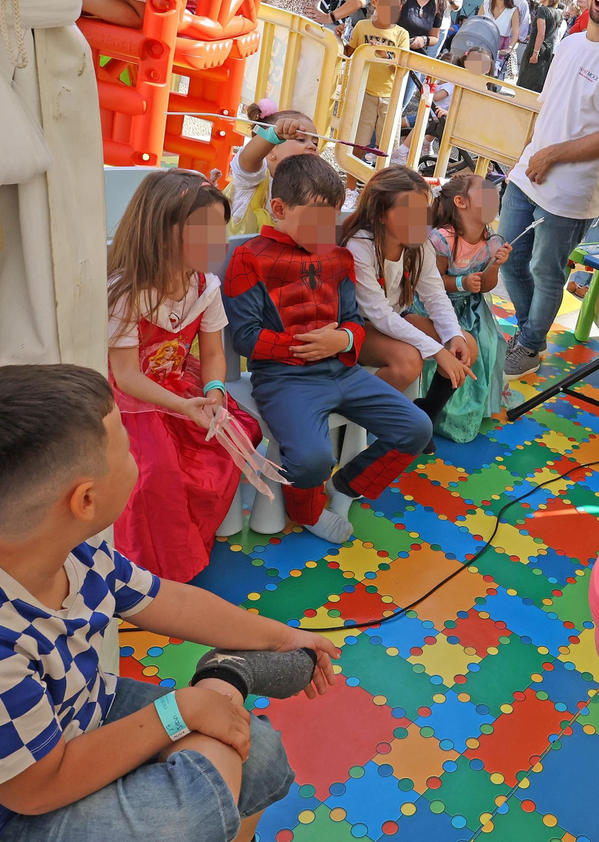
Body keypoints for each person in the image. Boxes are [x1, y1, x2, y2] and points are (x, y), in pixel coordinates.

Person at [0, 363, 341, 842]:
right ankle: (225, 677)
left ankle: (223, 683)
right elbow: (39, 789)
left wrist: (282, 637)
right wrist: (184, 709)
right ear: (84, 499)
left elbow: (167, 600)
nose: (134, 455)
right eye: (126, 446)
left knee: (259, 754)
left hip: (71, 720)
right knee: (187, 816)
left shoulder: (56, 547)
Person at [222, 155, 432, 543]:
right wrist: (302, 347)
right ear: (279, 209)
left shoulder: (339, 257)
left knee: (416, 427)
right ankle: (308, 512)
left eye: (332, 216)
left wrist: (345, 339)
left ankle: (345, 487)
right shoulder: (248, 258)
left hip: (343, 370)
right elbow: (245, 337)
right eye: (316, 216)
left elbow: (354, 320)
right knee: (313, 458)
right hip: (284, 380)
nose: (325, 227)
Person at [105, 170, 262, 582]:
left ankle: (189, 539)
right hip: (130, 396)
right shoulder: (126, 292)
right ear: (161, 233)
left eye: (219, 229)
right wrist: (182, 405)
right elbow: (125, 375)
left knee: (236, 436)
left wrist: (213, 390)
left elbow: (212, 352)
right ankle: (144, 566)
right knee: (155, 471)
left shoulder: (204, 285)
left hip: (178, 385)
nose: (218, 241)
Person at [498, 0, 599, 379]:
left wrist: (552, 155)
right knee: (507, 256)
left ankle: (527, 346)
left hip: (570, 192)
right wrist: (529, 154)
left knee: (546, 272)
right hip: (528, 175)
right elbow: (552, 111)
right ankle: (530, 335)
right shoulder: (570, 43)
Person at [340, 167, 475, 452]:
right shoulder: (360, 247)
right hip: (357, 326)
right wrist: (436, 351)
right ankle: (353, 428)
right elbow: (378, 315)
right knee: (408, 362)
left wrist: (453, 337)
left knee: (465, 344)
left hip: (394, 318)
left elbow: (436, 297)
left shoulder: (419, 245)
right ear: (380, 214)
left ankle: (425, 415)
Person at [423, 174, 514, 442]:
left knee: (489, 346)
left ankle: (468, 410)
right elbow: (433, 283)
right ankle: (436, 412)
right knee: (457, 348)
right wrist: (461, 281)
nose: (493, 198)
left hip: (471, 308)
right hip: (437, 306)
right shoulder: (442, 238)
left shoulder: (492, 240)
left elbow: (485, 285)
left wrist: (495, 265)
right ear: (461, 202)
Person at [226, 100, 319, 236]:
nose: (313, 146)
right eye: (301, 139)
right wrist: (274, 135)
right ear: (270, 151)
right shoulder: (254, 179)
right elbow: (247, 160)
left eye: (315, 142)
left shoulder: (307, 188)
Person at [348, 0, 411, 153]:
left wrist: (384, 55)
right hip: (364, 93)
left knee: (385, 147)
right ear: (374, 2)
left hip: (390, 96)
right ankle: (351, 181)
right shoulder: (362, 26)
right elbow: (348, 53)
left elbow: (401, 69)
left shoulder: (402, 35)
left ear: (400, 7)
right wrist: (341, 35)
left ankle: (380, 179)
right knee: (358, 143)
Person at [398, 0, 449, 109]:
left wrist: (424, 40)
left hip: (414, 64)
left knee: (398, 110)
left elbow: (434, 37)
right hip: (391, 57)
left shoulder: (439, 5)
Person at [518, 0, 562, 93]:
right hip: (548, 50)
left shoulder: (543, 10)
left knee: (526, 81)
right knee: (539, 82)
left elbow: (541, 33)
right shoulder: (557, 13)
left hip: (536, 49)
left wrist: (535, 53)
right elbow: (549, 32)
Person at [484, 0, 521, 81]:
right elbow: (478, 23)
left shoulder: (513, 10)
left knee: (493, 75)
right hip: (483, 41)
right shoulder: (486, 4)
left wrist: (509, 48)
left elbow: (515, 32)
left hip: (500, 45)